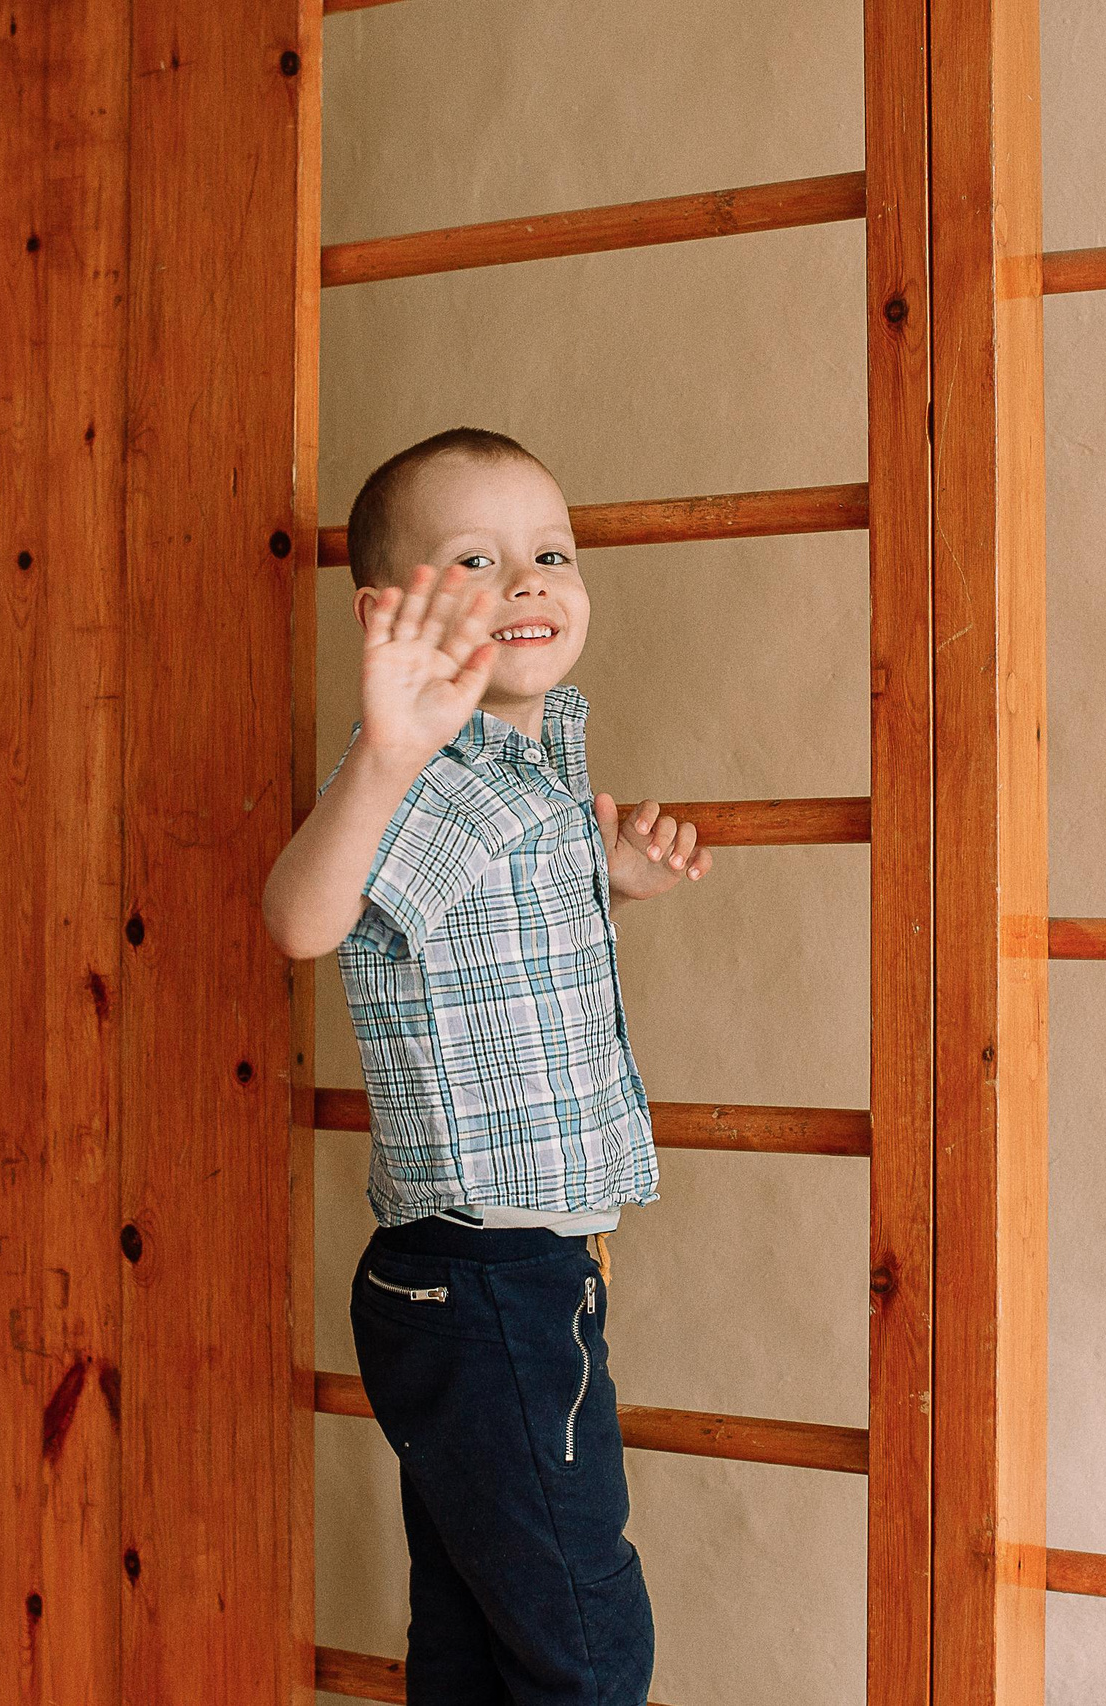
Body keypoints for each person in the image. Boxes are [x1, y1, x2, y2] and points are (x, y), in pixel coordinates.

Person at [263, 427, 711, 1705]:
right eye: (475, 557)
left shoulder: (534, 758)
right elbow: (302, 917)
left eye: (551, 553)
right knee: (586, 1647)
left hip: (507, 1273)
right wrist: (383, 753)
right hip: (487, 1278)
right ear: (384, 612)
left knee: (477, 1642)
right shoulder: (420, 766)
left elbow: (478, 943)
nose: (527, 579)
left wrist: (607, 880)